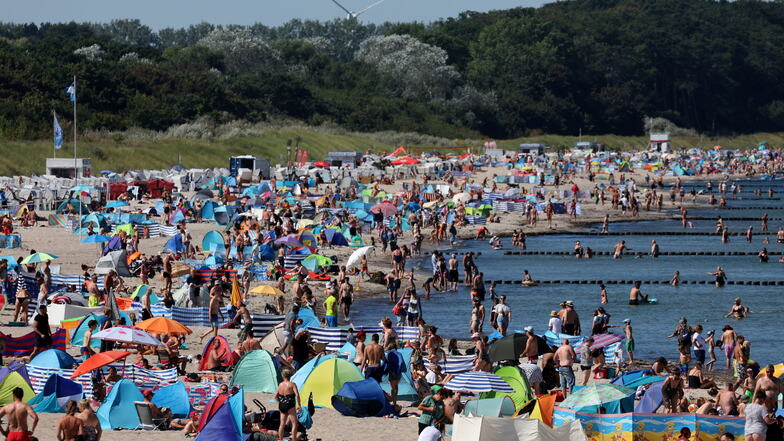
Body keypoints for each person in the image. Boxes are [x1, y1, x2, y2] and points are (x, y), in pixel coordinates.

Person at [276, 369, 301, 441]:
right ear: (290, 375)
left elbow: (276, 396)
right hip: (290, 405)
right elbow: (297, 395)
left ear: (282, 376)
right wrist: (299, 405)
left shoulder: (280, 384)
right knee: (294, 424)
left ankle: (280, 439)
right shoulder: (292, 384)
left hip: (282, 405)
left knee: (282, 424)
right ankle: (294, 439)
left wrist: (280, 401)